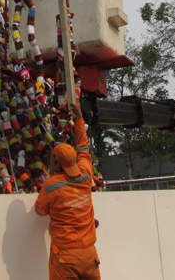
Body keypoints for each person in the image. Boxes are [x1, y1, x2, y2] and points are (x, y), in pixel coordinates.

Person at [34, 97, 100, 279]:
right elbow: (83, 147)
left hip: (65, 257)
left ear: (56, 162)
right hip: (89, 255)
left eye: (53, 158)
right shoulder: (86, 174)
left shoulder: (51, 186)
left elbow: (39, 211)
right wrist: (79, 118)